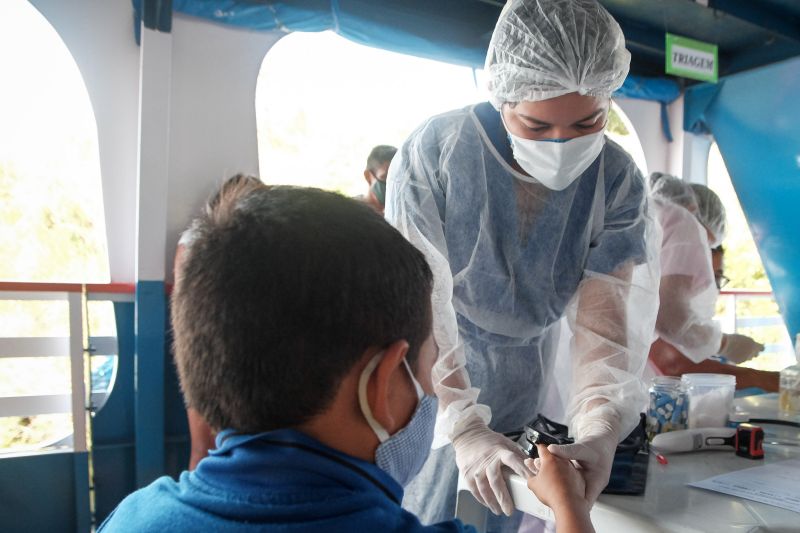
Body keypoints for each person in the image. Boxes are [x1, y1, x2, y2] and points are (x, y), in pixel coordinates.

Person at [99, 184, 595, 533]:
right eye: (430, 364)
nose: (433, 391)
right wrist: (568, 507)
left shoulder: (132, 517)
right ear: (380, 384)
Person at [385, 1, 659, 530]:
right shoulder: (438, 154)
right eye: (536, 124)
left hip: (524, 386)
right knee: (421, 512)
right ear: (502, 95)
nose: (561, 145)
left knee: (502, 511)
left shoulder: (616, 181)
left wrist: (600, 426)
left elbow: (606, 324)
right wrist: (461, 426)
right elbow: (419, 305)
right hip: (424, 386)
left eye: (587, 123)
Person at [648, 174, 777, 391]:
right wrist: (764, 378)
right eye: (702, 246)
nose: (698, 269)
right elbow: (672, 361)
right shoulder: (681, 224)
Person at [173, 173, 263, 470]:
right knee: (204, 447)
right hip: (205, 353)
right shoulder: (196, 241)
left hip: (247, 355)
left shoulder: (261, 246)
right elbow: (186, 302)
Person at [362, 145, 397, 214]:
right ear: (368, 176)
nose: (393, 184)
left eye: (397, 177)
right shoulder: (351, 212)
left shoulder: (400, 215)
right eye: (386, 177)